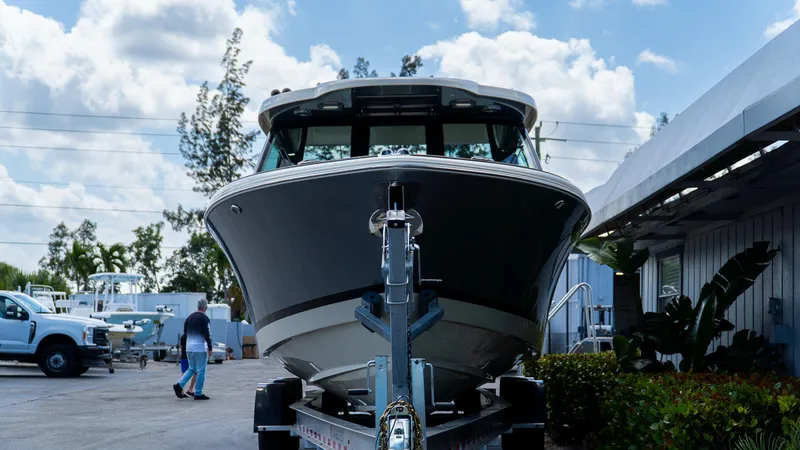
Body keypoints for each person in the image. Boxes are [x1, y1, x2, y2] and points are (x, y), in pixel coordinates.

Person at [173, 299, 213, 400]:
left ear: (197, 306)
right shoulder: (205, 319)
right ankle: (198, 393)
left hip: (189, 348)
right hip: (199, 348)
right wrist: (210, 347)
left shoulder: (189, 318)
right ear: (206, 308)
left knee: (192, 369)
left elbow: (185, 332)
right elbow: (208, 334)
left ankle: (179, 385)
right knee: (201, 371)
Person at [178, 332, 197, 397]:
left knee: (183, 374)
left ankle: (181, 391)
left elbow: (181, 346)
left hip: (183, 357)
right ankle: (190, 389)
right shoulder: (192, 336)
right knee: (196, 372)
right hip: (190, 357)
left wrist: (182, 354)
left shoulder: (183, 336)